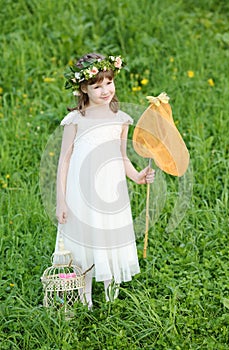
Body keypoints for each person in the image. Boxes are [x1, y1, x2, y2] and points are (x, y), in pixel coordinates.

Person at [55, 53, 155, 309]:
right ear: (83, 89)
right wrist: (61, 201)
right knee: (84, 240)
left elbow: (121, 157)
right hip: (81, 192)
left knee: (110, 237)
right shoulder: (76, 120)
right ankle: (84, 296)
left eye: (108, 82)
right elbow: (64, 161)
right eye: (97, 86)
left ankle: (112, 298)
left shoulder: (121, 120)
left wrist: (137, 176)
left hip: (111, 192)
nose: (105, 90)